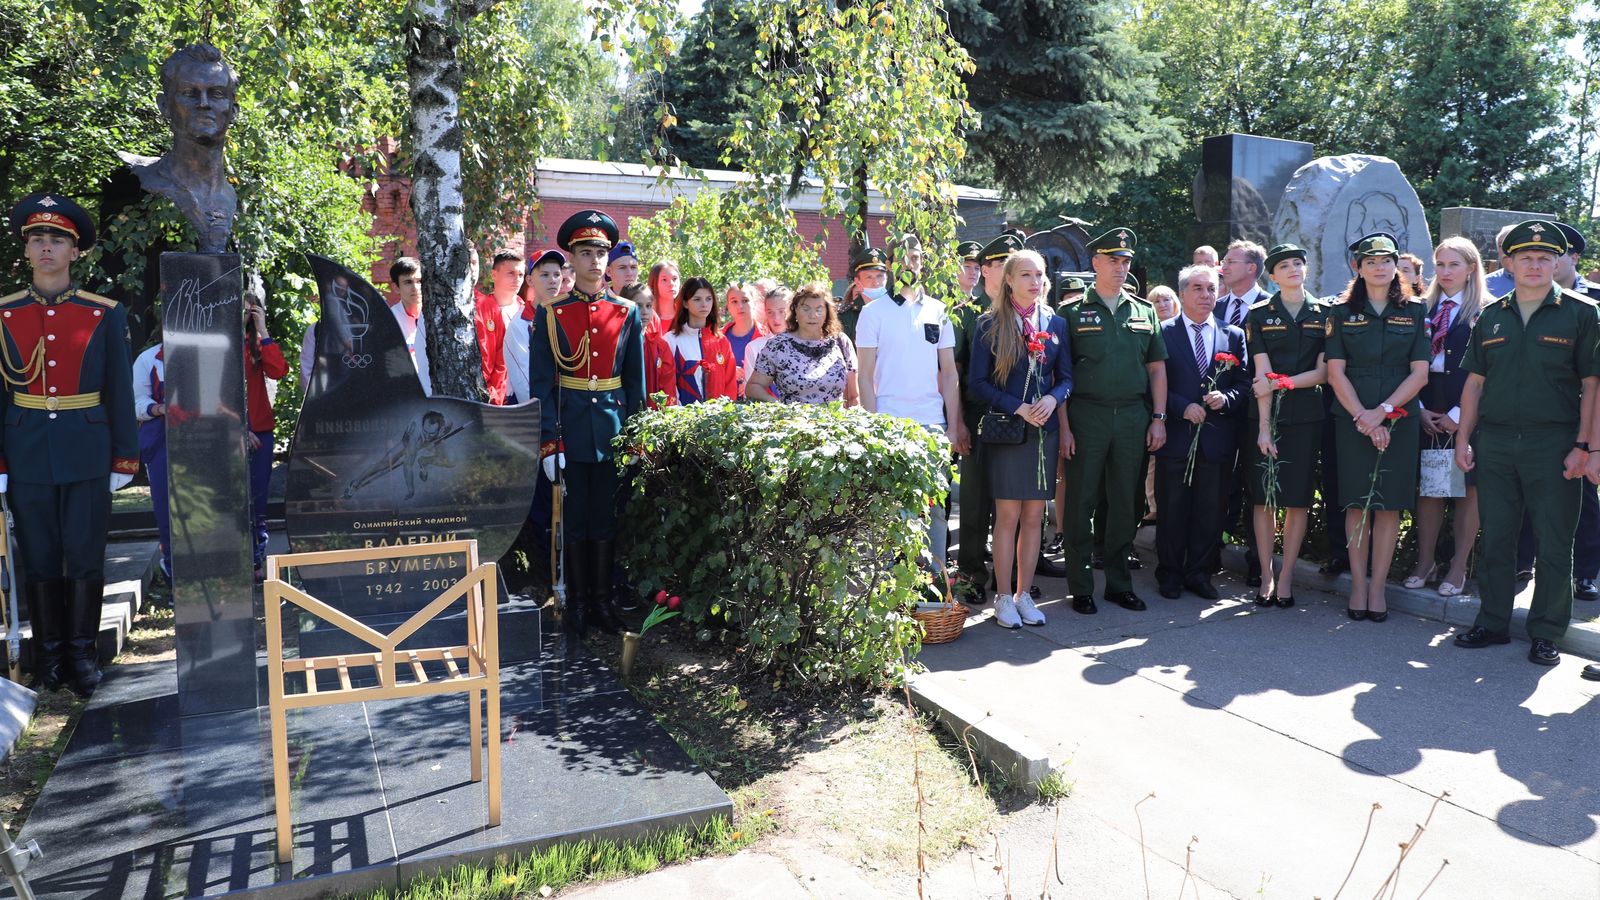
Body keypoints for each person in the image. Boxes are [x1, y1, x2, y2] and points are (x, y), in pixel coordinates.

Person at [2, 193, 138, 695]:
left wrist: (124, 456)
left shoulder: (103, 314)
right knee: (38, 557)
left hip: (87, 449)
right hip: (25, 452)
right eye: (37, 239)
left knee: (84, 554)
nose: (46, 247)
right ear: (26, 249)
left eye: (57, 240)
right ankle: (49, 658)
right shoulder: (4, 314)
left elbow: (119, 389)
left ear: (74, 251)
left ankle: (82, 656)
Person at [1454, 221, 1600, 667]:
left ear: (1557, 263)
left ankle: (1546, 632)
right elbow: (1474, 383)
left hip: (1554, 442)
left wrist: (1586, 446)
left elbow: (1593, 385)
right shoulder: (1491, 315)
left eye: (1544, 258)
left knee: (1554, 541)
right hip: (1496, 442)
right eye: (1525, 258)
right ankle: (1493, 622)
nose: (1534, 265)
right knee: (1497, 537)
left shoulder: (1582, 313)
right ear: (1509, 263)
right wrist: (1463, 438)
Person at [528, 209, 646, 638]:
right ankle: (577, 604)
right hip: (571, 431)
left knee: (606, 520)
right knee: (574, 520)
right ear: (572, 261)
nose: (595, 261)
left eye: (600, 253)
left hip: (612, 431)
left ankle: (602, 603)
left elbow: (635, 383)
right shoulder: (552, 313)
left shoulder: (626, 312)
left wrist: (635, 438)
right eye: (585, 253)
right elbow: (542, 384)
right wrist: (549, 442)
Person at [1060, 228, 1168, 614]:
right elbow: (1061, 375)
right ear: (1096, 263)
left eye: (1125, 261)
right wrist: (1065, 428)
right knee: (1081, 502)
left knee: (1126, 502)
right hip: (1086, 415)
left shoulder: (1144, 311)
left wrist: (1158, 418)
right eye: (1113, 260)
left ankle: (1119, 584)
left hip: (1133, 417)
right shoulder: (1071, 313)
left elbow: (1156, 369)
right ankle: (1081, 586)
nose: (1121, 267)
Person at [1324, 234, 1430, 622]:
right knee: (1357, 504)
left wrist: (1382, 413)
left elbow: (1419, 373)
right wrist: (1363, 418)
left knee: (1389, 506)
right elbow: (1335, 373)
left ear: (1396, 266)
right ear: (1358, 267)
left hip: (1399, 417)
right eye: (1371, 262)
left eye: (1386, 261)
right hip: (1352, 418)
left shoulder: (1415, 311)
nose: (1379, 268)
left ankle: (1378, 587)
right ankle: (1358, 585)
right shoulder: (1340, 313)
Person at [856, 243, 968, 594]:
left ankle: (935, 584)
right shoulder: (873, 313)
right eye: (903, 257)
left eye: (917, 257)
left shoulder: (938, 309)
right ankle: (890, 585)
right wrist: (873, 427)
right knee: (891, 508)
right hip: (889, 425)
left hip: (932, 423)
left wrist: (953, 425)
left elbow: (949, 373)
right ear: (891, 264)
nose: (911, 262)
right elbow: (864, 376)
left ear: (923, 263)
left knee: (935, 509)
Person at [968, 250, 1072, 627]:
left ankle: (1024, 595)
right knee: (1008, 516)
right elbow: (977, 383)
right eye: (1026, 274)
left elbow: (1067, 378)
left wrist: (1052, 398)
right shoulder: (989, 324)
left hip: (1043, 431)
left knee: (1034, 516)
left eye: (1039, 274)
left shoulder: (1056, 323)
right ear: (1009, 280)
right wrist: (1018, 407)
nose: (1034, 281)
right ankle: (1002, 597)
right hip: (1009, 432)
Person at [1153, 265, 1248, 601]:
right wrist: (1180, 407)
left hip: (1216, 438)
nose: (1206, 295)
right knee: (1172, 509)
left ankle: (1200, 573)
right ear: (1182, 293)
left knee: (1210, 511)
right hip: (1175, 436)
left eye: (1211, 289)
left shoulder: (1232, 335)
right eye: (1197, 288)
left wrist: (1227, 398)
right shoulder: (1162, 332)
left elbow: (1244, 383)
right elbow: (1151, 381)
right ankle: (1170, 573)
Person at [1516, 221, 1600, 600]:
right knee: (1525, 492)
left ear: (1572, 258)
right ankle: (1523, 562)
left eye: (1554, 254)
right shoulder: (1521, 300)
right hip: (1535, 414)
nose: (1543, 261)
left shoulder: (1593, 301)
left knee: (1583, 498)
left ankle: (1585, 573)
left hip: (1583, 416)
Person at [1399, 237, 1487, 598]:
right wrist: (1419, 407)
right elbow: (1406, 361)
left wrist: (1459, 415)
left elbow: (1489, 370)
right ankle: (1426, 562)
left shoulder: (1486, 310)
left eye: (1454, 265)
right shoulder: (1422, 307)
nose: (1446, 272)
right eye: (1441, 264)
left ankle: (1458, 565)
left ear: (1471, 269)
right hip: (1426, 405)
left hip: (1467, 409)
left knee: (1468, 490)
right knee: (1430, 488)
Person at [1243, 244, 1329, 608]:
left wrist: (1282, 384)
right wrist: (1264, 428)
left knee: (1297, 500)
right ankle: (1266, 574)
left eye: (1298, 263)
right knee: (1263, 498)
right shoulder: (1259, 314)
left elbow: (1323, 373)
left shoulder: (1325, 314)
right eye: (1284, 266)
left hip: (1306, 417)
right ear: (1273, 276)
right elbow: (1261, 375)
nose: (1293, 269)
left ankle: (1288, 575)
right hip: (1266, 417)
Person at [951, 235, 1014, 603]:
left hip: (1018, 417)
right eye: (1001, 264)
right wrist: (958, 421)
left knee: (1013, 498)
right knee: (974, 502)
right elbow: (954, 372)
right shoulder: (964, 312)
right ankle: (972, 573)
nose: (1009, 271)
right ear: (985, 270)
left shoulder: (1023, 310)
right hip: (977, 415)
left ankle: (1012, 574)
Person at [746, 282, 859, 406]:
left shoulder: (841, 342)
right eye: (806, 309)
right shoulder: (778, 345)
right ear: (795, 310)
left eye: (819, 309)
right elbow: (753, 387)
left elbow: (854, 396)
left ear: (827, 312)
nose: (812, 315)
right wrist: (779, 406)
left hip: (835, 418)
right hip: (794, 418)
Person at [243, 292, 288, 579]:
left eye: (251, 310)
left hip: (260, 431)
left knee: (258, 500)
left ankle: (256, 562)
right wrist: (238, 429)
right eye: (242, 309)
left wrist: (263, 330)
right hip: (225, 432)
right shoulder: (217, 344)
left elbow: (279, 370)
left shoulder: (256, 343)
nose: (245, 315)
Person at [648, 276, 737, 406]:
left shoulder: (721, 341)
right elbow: (665, 385)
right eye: (697, 299)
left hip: (718, 416)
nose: (704, 304)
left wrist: (727, 412)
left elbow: (730, 384)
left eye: (708, 299)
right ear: (685, 303)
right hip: (682, 416)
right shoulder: (670, 340)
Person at [132, 343, 169, 582]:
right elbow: (135, 402)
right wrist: (158, 408)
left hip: (206, 437)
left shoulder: (211, 348)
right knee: (166, 511)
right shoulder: (148, 359)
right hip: (161, 442)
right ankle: (174, 577)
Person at [474, 249, 525, 405]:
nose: (517, 279)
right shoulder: (479, 310)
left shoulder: (526, 311)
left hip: (523, 393)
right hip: (493, 396)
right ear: (494, 274)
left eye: (521, 275)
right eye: (511, 273)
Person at [387, 256, 432, 396]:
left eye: (419, 281)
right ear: (396, 287)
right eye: (408, 282)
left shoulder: (436, 316)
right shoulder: (390, 319)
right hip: (405, 392)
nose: (416, 288)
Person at [741, 285, 793, 396]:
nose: (776, 318)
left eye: (781, 311)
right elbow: (750, 393)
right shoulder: (754, 347)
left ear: (792, 310)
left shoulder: (805, 342)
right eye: (770, 312)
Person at [723, 283, 765, 394]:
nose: (740, 306)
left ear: (754, 303)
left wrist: (753, 382)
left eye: (745, 300)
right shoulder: (718, 338)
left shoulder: (767, 337)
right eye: (734, 301)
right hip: (725, 401)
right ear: (728, 306)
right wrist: (729, 371)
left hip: (760, 401)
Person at [646, 260, 681, 337]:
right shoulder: (644, 316)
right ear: (653, 284)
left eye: (675, 278)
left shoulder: (686, 315)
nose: (671, 284)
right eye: (664, 280)